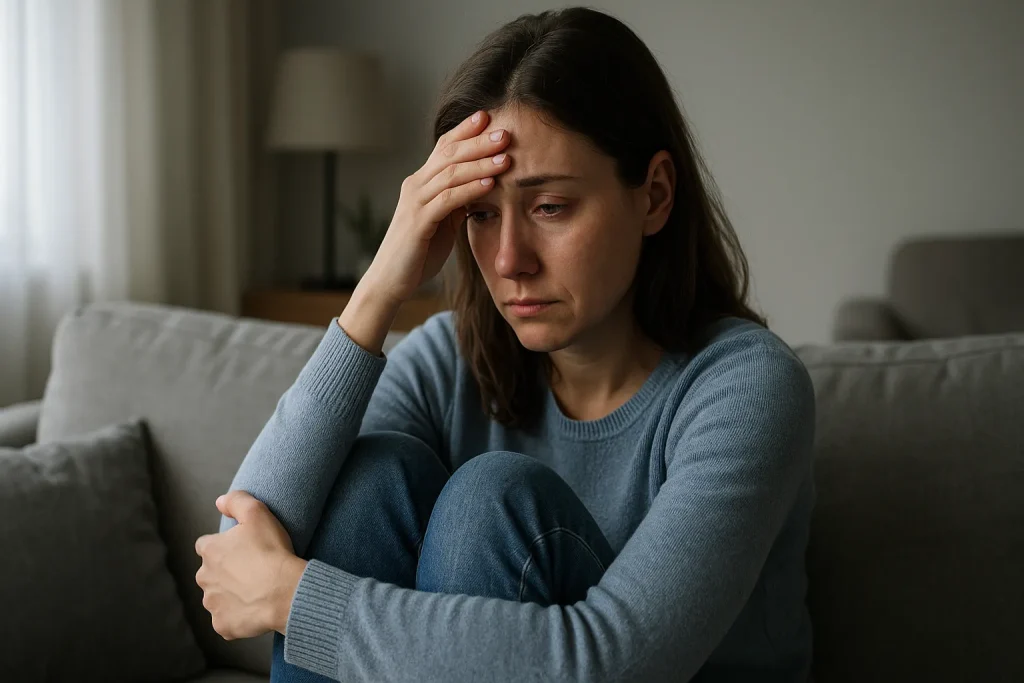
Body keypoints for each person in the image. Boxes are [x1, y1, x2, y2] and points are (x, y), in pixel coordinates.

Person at [194, 7, 816, 682]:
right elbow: (241, 553)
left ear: (655, 196)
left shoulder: (747, 387)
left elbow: (614, 660)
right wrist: (378, 290)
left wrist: (296, 598)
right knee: (368, 477)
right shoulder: (449, 360)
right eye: (482, 215)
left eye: (550, 206)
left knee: (490, 502)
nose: (510, 259)